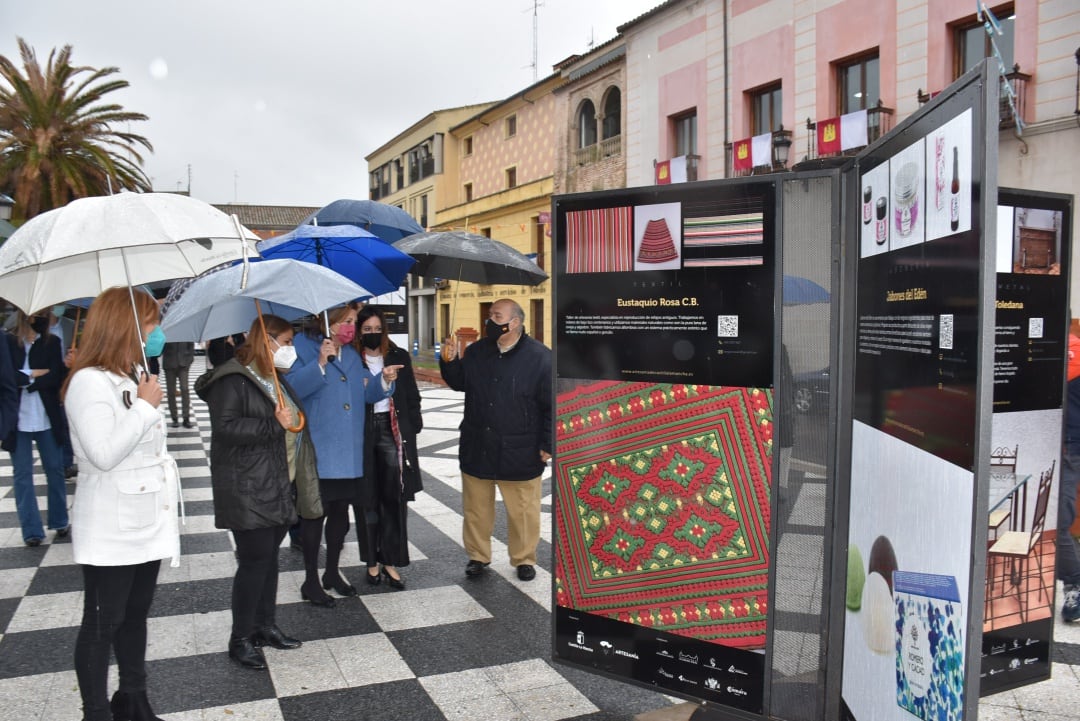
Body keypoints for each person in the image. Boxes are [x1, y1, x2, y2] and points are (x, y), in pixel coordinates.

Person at [63, 287, 179, 721]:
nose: (157, 332)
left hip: (144, 518)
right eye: (151, 323)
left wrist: (143, 402)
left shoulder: (130, 375)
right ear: (126, 325)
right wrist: (146, 409)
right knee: (101, 621)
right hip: (111, 522)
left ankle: (133, 698)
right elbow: (103, 452)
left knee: (135, 614)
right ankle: (95, 711)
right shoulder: (88, 382)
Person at [195, 314, 315, 669]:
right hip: (248, 486)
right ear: (267, 339)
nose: (290, 349)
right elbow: (226, 427)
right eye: (287, 342)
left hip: (277, 481)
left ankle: (265, 626)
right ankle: (241, 638)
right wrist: (271, 424)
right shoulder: (232, 379)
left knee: (268, 560)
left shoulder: (273, 376)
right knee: (252, 563)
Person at [288, 304, 401, 606]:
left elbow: (365, 395)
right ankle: (311, 581)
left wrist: (384, 381)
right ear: (329, 322)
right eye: (347, 321)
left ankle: (332, 573)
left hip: (350, 452)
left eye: (354, 321)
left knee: (340, 519)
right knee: (314, 518)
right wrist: (320, 364)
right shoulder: (303, 346)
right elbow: (292, 389)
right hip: (321, 450)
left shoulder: (352, 355)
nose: (352, 327)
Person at [439, 298, 551, 581]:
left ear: (514, 322)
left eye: (496, 315)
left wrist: (548, 444)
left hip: (520, 448)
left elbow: (551, 405)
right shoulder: (477, 351)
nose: (489, 321)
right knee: (476, 509)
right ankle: (478, 556)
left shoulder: (540, 357)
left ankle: (524, 558)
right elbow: (460, 382)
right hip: (478, 444)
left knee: (524, 511)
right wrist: (449, 361)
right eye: (490, 315)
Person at [355, 307, 423, 590]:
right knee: (367, 499)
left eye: (377, 329)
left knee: (394, 498)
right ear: (359, 331)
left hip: (392, 431)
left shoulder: (398, 356)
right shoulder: (348, 358)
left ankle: (391, 561)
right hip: (361, 432)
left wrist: (413, 426)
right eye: (366, 329)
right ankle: (371, 561)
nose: (372, 334)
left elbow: (412, 395)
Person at [6, 311, 70, 546]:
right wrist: (32, 375)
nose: (42, 317)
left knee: (54, 468)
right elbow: (6, 377)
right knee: (22, 475)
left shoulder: (52, 342)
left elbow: (55, 377)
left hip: (46, 416)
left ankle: (60, 520)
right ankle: (31, 530)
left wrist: (26, 381)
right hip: (17, 419)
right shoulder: (8, 342)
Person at [1059, 327, 1080, 622]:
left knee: (1057, 522)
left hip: (1065, 446)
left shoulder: (1069, 355)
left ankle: (1074, 582)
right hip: (1067, 445)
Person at [161, 341, 195, 428]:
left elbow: (191, 345)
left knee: (185, 389)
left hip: (183, 363)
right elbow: (160, 348)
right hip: (169, 363)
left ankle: (186, 418)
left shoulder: (185, 329)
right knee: (171, 392)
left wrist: (189, 359)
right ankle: (174, 418)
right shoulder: (165, 330)